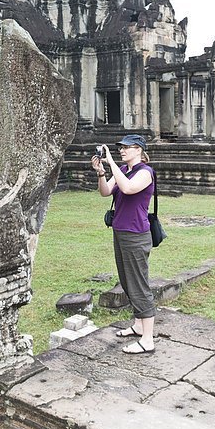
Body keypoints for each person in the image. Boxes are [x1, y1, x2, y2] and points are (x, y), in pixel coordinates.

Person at [91, 134, 156, 354]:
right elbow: (105, 192)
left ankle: (148, 339)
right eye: (120, 148)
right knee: (127, 281)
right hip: (120, 232)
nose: (122, 151)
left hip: (136, 234)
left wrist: (110, 162)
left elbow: (128, 188)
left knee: (139, 283)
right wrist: (101, 171)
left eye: (126, 148)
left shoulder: (145, 172)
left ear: (139, 150)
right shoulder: (124, 170)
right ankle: (138, 326)